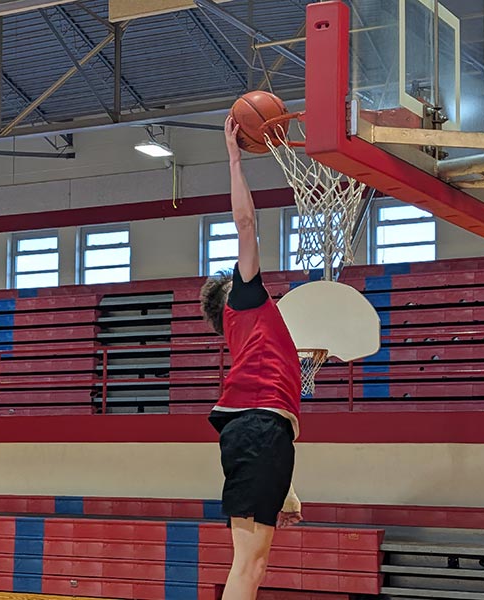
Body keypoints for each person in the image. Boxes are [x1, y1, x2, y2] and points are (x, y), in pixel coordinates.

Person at [199, 115, 304, 600]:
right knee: (249, 564)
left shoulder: (249, 335)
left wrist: (286, 487)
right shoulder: (247, 301)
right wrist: (235, 157)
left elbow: (268, 414)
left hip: (262, 432)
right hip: (259, 430)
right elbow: (245, 223)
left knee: (253, 564)